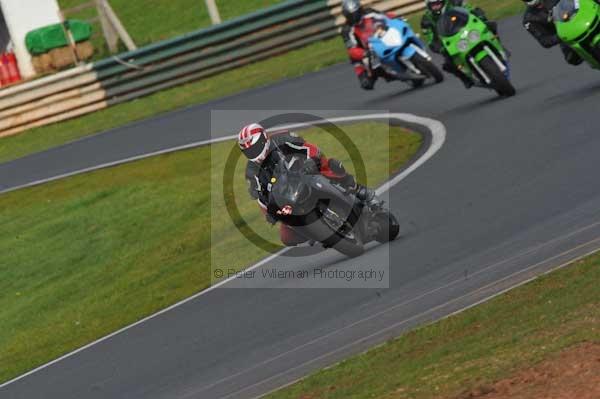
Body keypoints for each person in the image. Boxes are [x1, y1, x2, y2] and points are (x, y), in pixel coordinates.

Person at [238, 123, 378, 246]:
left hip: (305, 173)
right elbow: (260, 198)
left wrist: (311, 160)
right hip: (288, 196)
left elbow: (309, 148)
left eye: (255, 148)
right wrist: (270, 215)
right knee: (286, 237)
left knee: (331, 165)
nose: (253, 153)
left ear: (264, 140)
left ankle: (359, 190)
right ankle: (318, 234)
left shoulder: (281, 139)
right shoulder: (251, 172)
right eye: (249, 151)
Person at [421, 0, 498, 88]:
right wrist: (436, 46)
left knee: (491, 26)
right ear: (428, 6)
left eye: (438, 4)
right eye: (433, 5)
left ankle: (499, 45)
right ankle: (466, 79)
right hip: (450, 40)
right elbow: (430, 37)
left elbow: (471, 9)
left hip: (468, 29)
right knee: (449, 63)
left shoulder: (456, 2)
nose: (436, 7)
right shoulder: (426, 19)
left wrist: (480, 15)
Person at [340, 0, 398, 90]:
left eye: (356, 13)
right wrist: (364, 53)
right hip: (364, 48)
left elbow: (384, 17)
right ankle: (364, 76)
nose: (354, 17)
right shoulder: (346, 29)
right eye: (351, 15)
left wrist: (394, 18)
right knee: (365, 79)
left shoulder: (369, 12)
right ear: (346, 15)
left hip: (379, 36)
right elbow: (351, 49)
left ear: (360, 9)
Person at [521, 0, 583, 65]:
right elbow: (544, 41)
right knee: (572, 58)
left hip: (581, 16)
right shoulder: (529, 19)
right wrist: (561, 34)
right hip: (566, 35)